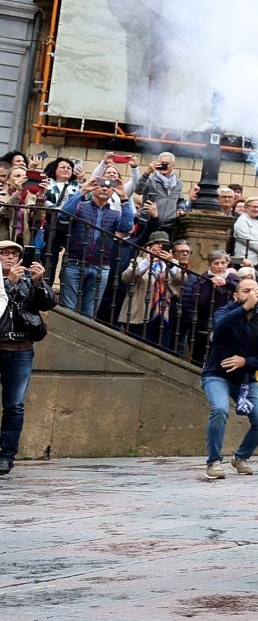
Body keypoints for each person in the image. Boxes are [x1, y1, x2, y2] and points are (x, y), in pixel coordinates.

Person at [200, 276, 258, 480]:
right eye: (246, 291)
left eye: (255, 290)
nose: (252, 294)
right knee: (219, 409)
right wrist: (243, 308)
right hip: (217, 375)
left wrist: (246, 361)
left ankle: (241, 457)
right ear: (236, 296)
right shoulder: (224, 312)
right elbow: (219, 328)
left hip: (245, 379)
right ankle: (214, 462)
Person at [0, 240, 54, 476]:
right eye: (4, 253)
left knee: (14, 406)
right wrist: (7, 282)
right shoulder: (8, 281)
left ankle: (6, 457)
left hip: (21, 349)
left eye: (14, 253)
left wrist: (38, 282)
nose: (10, 257)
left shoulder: (26, 281)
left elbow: (49, 303)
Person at [60, 178, 134, 318]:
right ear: (94, 188)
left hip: (101, 267)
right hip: (74, 263)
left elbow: (127, 226)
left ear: (113, 191)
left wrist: (124, 198)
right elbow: (64, 215)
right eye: (100, 186)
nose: (105, 189)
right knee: (68, 309)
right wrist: (83, 191)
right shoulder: (81, 206)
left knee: (90, 312)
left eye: (109, 187)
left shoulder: (115, 213)